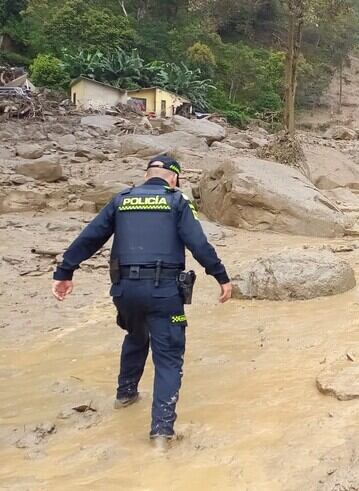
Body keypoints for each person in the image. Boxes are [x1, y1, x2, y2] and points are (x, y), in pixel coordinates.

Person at [51, 155, 232, 450]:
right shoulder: (176, 201)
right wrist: (221, 277)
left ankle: (125, 395)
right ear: (174, 178)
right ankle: (161, 433)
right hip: (164, 293)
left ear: (148, 175)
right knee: (169, 358)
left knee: (136, 335)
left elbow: (90, 237)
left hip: (125, 292)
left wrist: (64, 271)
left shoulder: (122, 199)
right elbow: (199, 244)